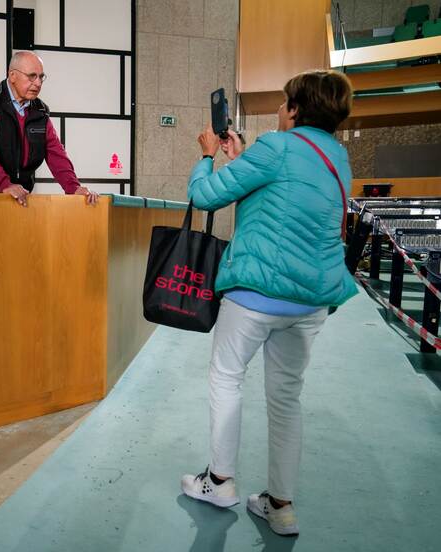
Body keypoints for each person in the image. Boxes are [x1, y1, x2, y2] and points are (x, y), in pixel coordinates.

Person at [179, 70, 357, 536]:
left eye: (283, 103)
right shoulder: (338, 157)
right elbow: (286, 199)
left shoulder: (277, 147)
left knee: (226, 378)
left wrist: (207, 156)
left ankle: (218, 481)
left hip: (258, 293)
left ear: (295, 109)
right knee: (286, 398)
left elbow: (204, 195)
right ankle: (280, 506)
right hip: (311, 302)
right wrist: (244, 159)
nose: (280, 110)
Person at [0, 51, 97, 207]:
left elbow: (55, 152)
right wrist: (5, 185)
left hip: (20, 198)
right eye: (32, 76)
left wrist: (74, 187)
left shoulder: (41, 111)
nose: (38, 83)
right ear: (12, 76)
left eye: (41, 77)